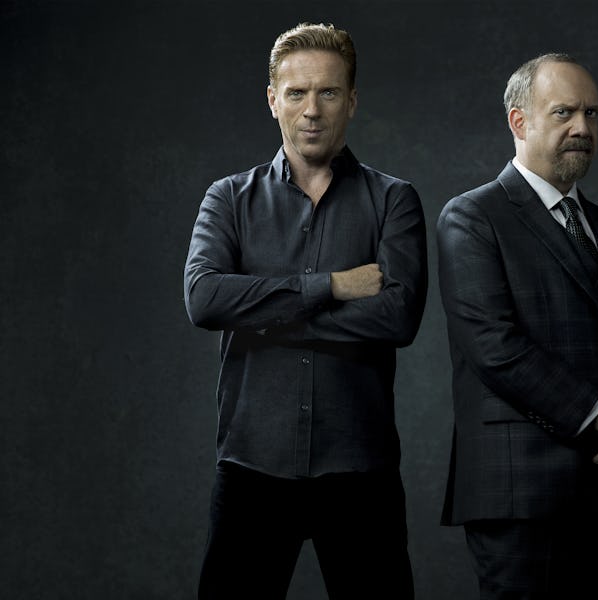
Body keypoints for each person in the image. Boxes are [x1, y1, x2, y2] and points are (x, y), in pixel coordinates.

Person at [183, 23, 426, 599]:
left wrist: (262, 314)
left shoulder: (393, 200)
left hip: (361, 470)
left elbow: (397, 318)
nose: (312, 110)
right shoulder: (228, 199)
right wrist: (332, 286)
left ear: (352, 101)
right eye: (296, 93)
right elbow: (205, 299)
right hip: (252, 467)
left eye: (328, 92)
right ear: (273, 100)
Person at [437, 53, 598, 599]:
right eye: (564, 112)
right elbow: (495, 348)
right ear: (519, 122)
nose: (582, 127)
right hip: (519, 494)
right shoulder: (472, 218)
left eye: (591, 113)